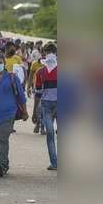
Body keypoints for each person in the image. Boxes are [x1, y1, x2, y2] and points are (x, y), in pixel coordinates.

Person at [35, 43, 58, 171]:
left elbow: (38, 92)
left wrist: (35, 111)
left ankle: (54, 163)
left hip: (46, 105)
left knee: (50, 135)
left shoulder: (40, 71)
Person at [27, 49, 46, 134]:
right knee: (37, 108)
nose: (45, 55)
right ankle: (37, 124)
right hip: (37, 89)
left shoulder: (52, 64)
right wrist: (28, 88)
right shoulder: (35, 64)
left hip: (48, 90)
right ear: (40, 54)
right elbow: (30, 77)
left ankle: (42, 126)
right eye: (44, 53)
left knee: (45, 109)